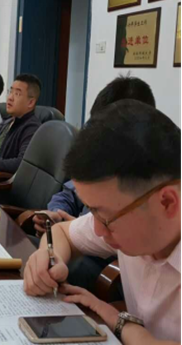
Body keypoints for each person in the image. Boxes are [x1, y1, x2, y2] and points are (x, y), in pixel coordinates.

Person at [23, 100, 179, 343]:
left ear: (167, 202)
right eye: (92, 212)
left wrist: (120, 322)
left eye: (105, 218)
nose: (97, 229)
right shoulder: (133, 214)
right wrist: (50, 256)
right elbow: (62, 232)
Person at [32, 76, 157, 293]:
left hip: (104, 260)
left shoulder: (145, 181)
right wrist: (57, 220)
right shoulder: (101, 162)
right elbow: (69, 196)